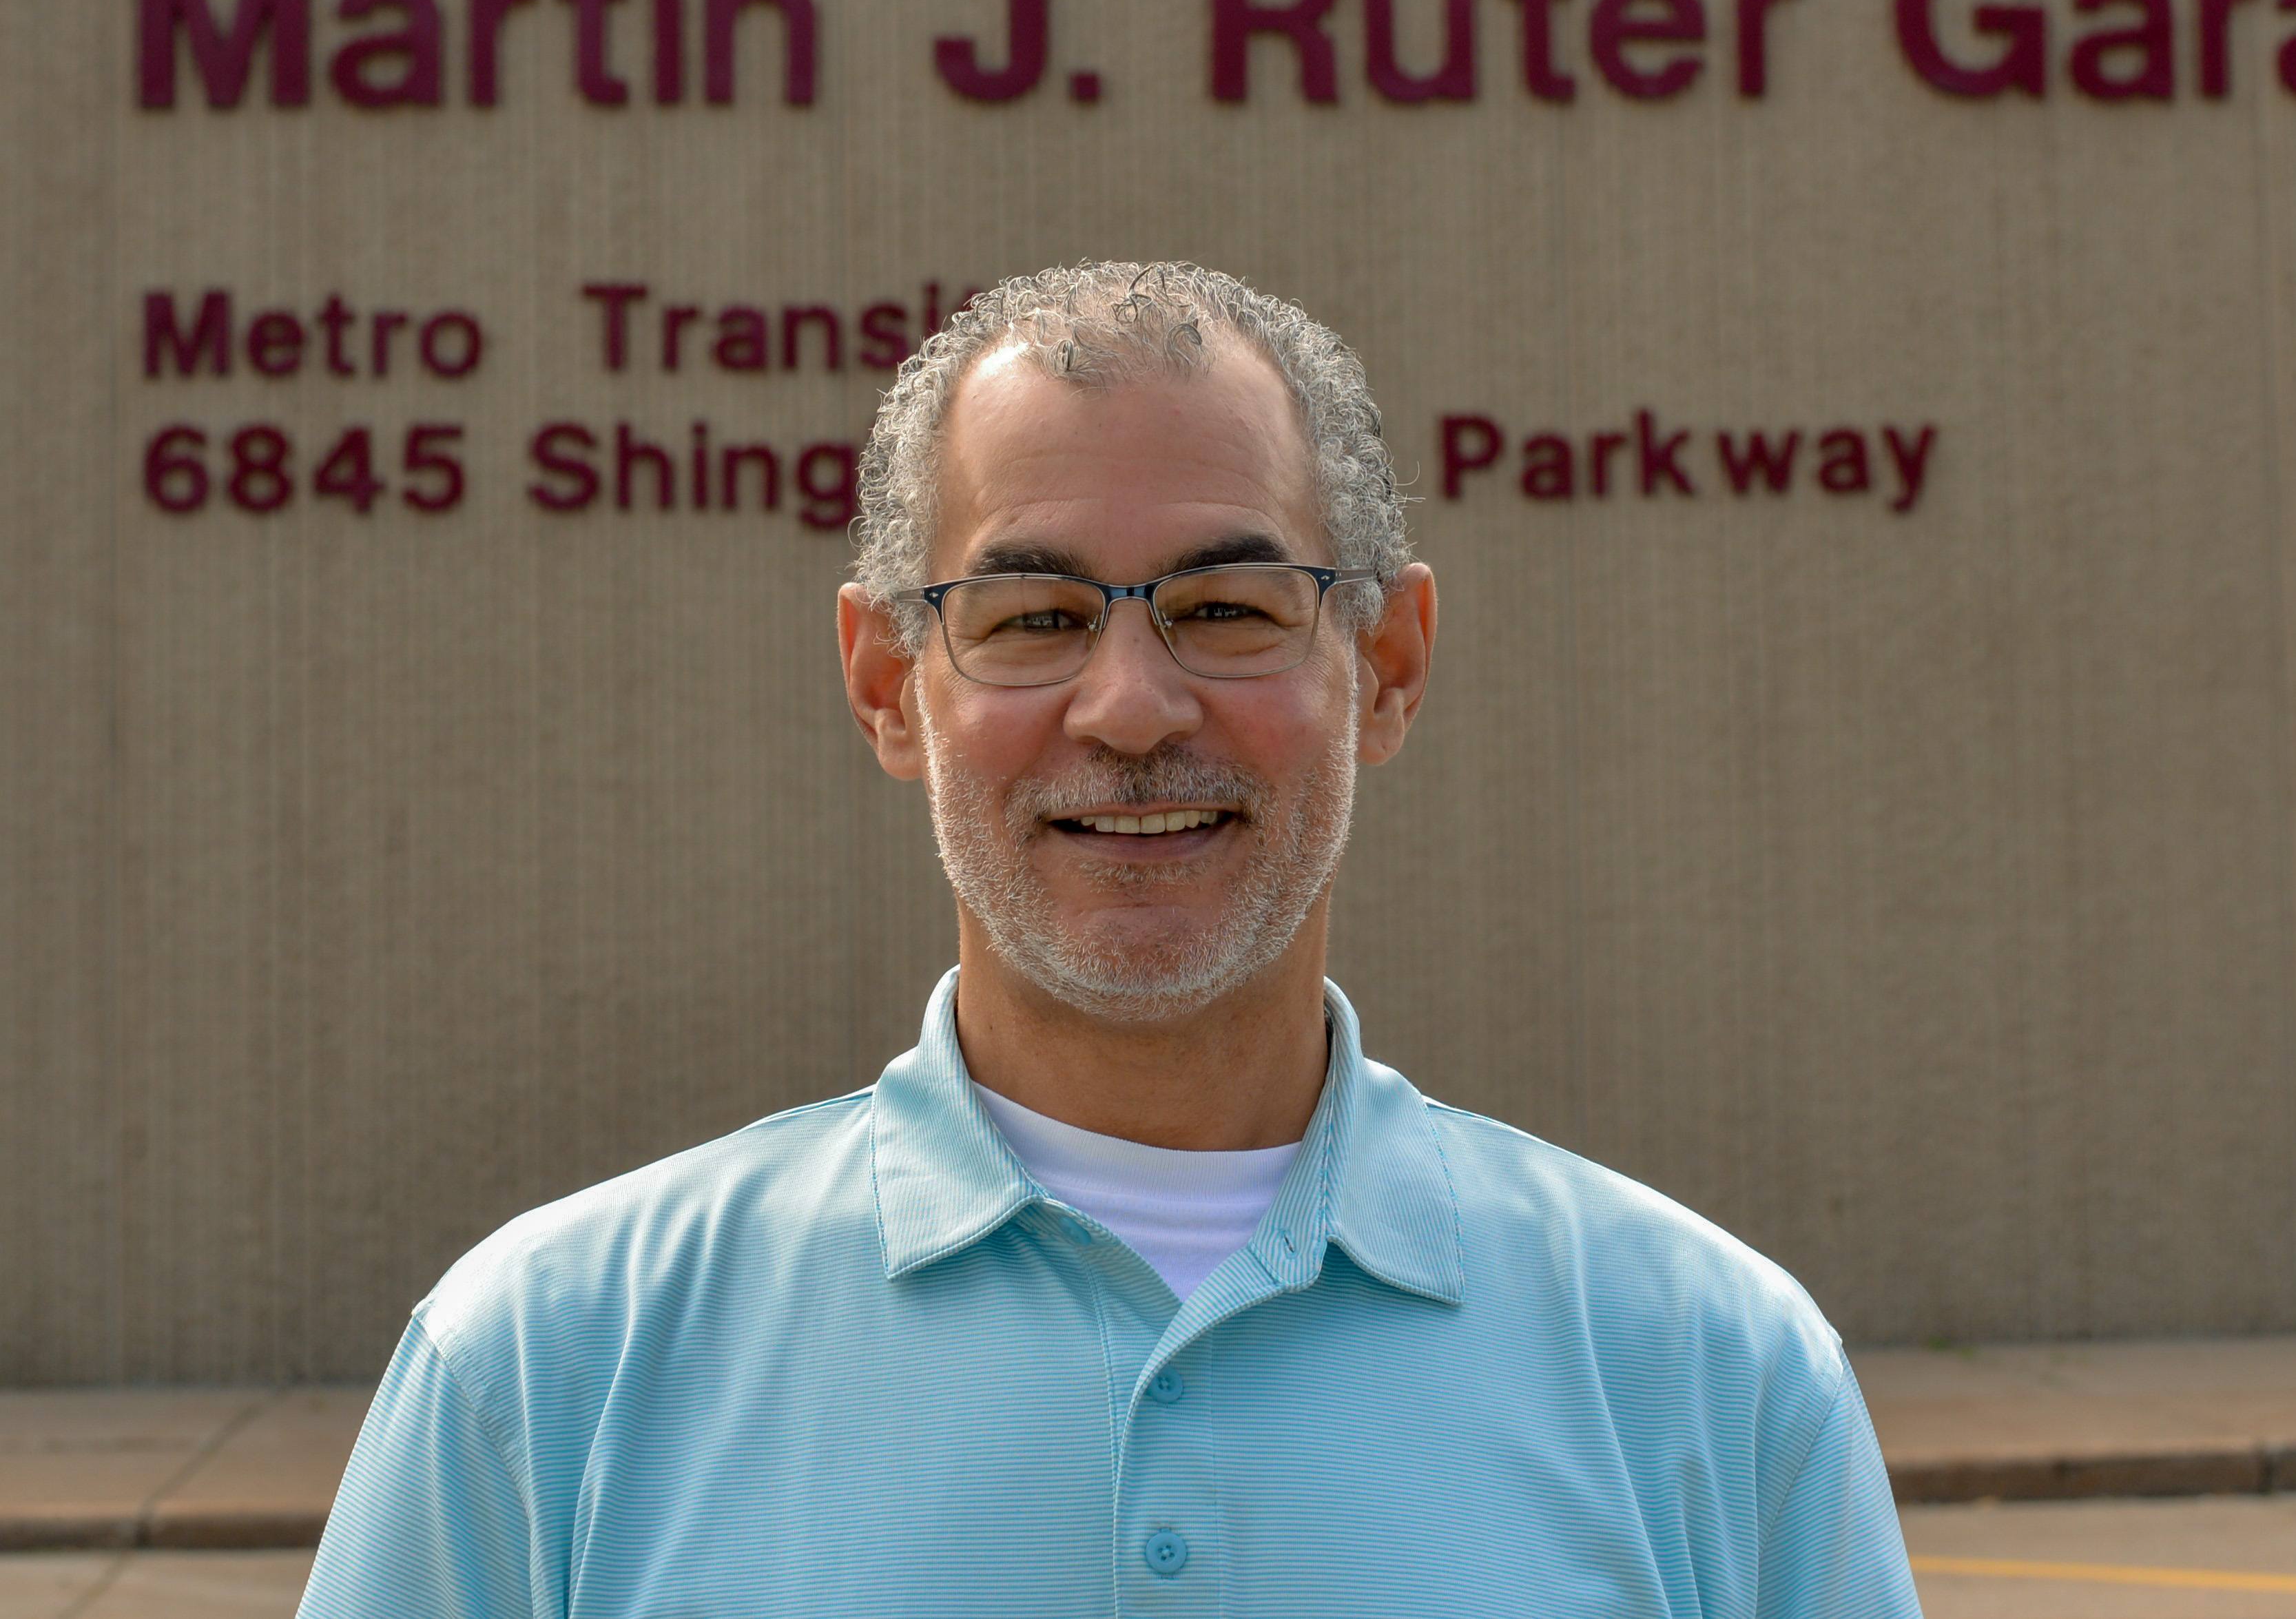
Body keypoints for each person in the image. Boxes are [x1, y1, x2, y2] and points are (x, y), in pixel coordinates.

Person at [298, 262, 1922, 1618]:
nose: (1132, 709)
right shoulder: (546, 1370)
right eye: (1032, 619)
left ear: (1391, 664)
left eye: (1228, 608)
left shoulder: (1716, 1377)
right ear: (885, 685)